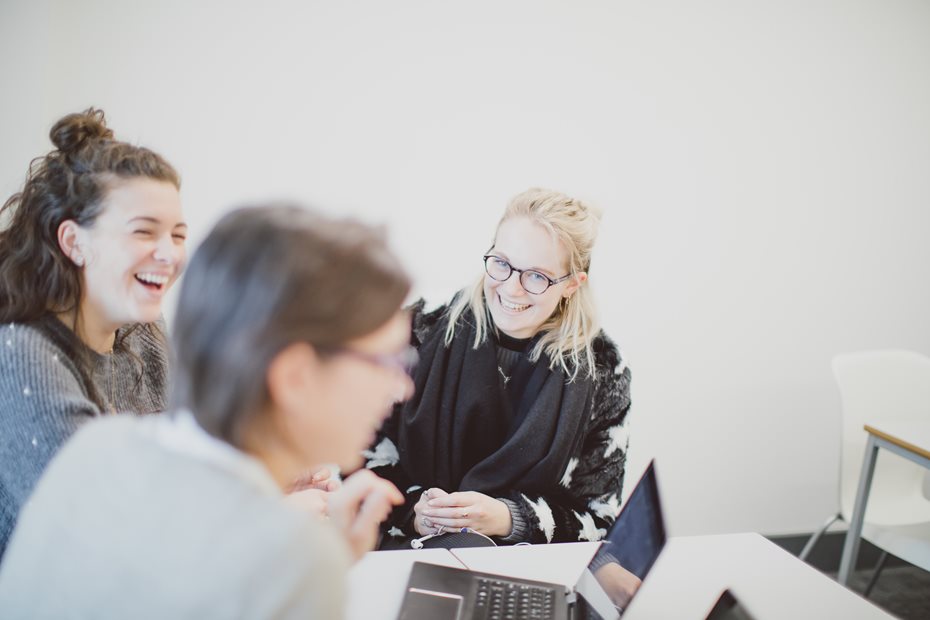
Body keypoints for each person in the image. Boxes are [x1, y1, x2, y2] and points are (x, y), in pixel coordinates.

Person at [0, 205, 411, 618]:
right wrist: (323, 562)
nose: (402, 387)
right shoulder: (291, 555)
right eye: (386, 363)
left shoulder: (99, 445)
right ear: (295, 376)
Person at [368, 188, 632, 547]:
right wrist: (414, 512)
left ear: (572, 284)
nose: (512, 289)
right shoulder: (417, 330)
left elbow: (599, 519)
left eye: (537, 276)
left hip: (523, 572)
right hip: (403, 556)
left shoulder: (603, 370)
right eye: (502, 263)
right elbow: (357, 459)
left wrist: (508, 518)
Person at [0, 108, 186, 559]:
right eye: (144, 232)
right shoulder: (23, 355)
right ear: (73, 242)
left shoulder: (145, 332)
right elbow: (101, 537)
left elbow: (181, 475)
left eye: (178, 235)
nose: (168, 254)